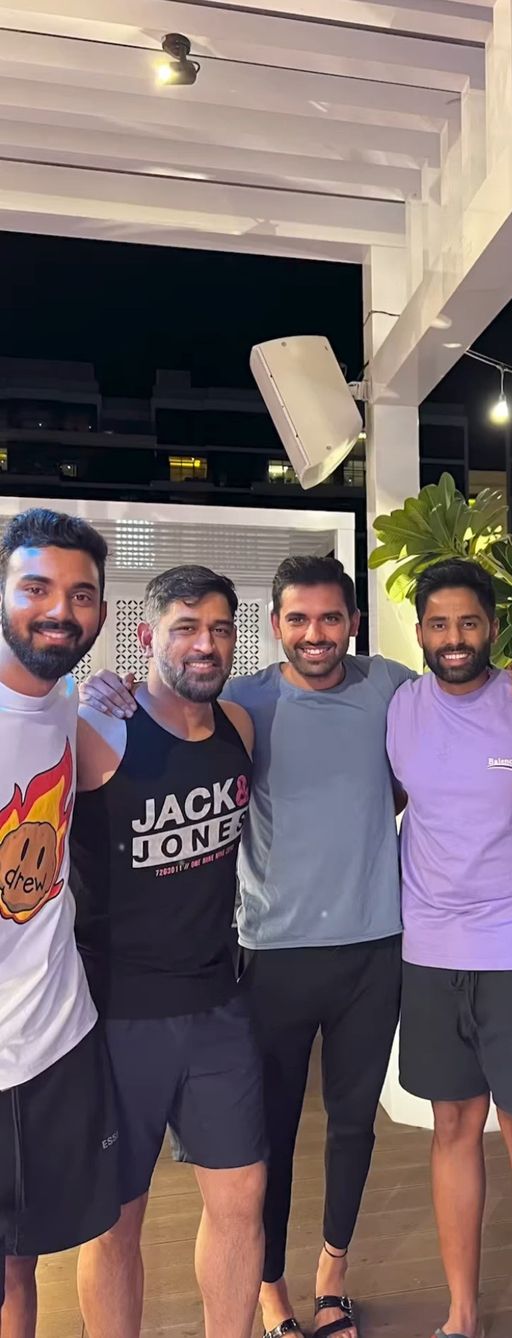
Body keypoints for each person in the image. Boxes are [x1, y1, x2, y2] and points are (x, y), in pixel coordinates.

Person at [81, 554, 512, 1338]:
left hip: (376, 946)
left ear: (354, 625)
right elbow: (171, 702)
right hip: (270, 951)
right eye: (297, 620)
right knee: (262, 1136)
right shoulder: (241, 702)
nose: (315, 634)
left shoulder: (393, 688)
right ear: (274, 628)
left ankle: (332, 1274)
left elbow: (459, 700)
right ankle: (270, 1289)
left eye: (331, 618)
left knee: (352, 1125)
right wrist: (109, 689)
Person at [71, 565, 267, 1338]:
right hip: (118, 1017)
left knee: (241, 1201)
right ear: (148, 637)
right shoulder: (97, 733)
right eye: (185, 628)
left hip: (219, 1006)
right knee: (115, 1221)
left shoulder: (240, 732)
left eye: (219, 629)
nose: (205, 644)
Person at [386, 559, 512, 1338]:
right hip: (430, 950)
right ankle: (462, 1313)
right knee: (453, 1127)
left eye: (469, 623)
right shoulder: (399, 706)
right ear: (421, 630)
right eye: (438, 624)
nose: (454, 638)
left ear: (494, 627)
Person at [0, 508, 120, 1338]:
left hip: (50, 1037)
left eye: (81, 595)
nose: (59, 611)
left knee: (21, 1261)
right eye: (36, 588)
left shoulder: (63, 700)